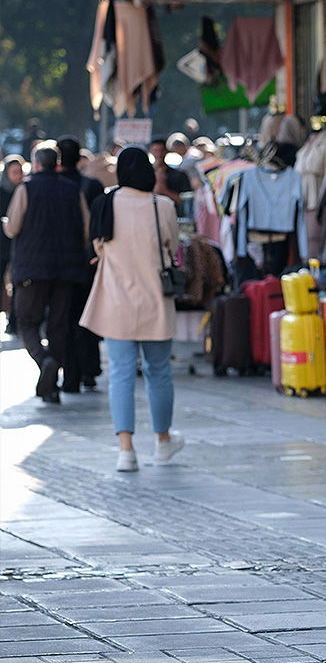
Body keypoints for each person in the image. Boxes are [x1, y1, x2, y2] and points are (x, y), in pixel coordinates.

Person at [80, 147, 184, 472]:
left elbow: (97, 245)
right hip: (155, 298)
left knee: (121, 375)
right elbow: (173, 245)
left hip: (116, 301)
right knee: (159, 371)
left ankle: (125, 450)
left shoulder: (105, 203)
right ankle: (163, 442)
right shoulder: (162, 205)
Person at [3, 143, 90, 403]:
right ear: (58, 164)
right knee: (58, 326)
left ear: (37, 164)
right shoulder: (73, 190)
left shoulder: (26, 188)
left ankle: (44, 361)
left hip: (31, 268)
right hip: (66, 270)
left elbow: (13, 227)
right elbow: (86, 231)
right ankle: (51, 383)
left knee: (27, 322)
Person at [58, 136, 105, 393]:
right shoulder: (92, 186)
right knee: (88, 317)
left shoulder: (52, 186)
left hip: (61, 264)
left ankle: (71, 375)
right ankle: (89, 370)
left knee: (65, 319)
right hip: (88, 261)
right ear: (79, 159)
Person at [0, 155, 25, 335]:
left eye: (20, 172)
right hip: (2, 245)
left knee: (17, 283)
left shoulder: (24, 191)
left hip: (19, 245)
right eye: (14, 172)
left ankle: (14, 321)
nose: (18, 176)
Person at [149, 137, 191, 215]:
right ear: (151, 152)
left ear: (166, 151)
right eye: (156, 151)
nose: (159, 154)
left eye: (161, 150)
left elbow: (185, 201)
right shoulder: (145, 174)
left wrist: (164, 190)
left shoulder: (179, 175)